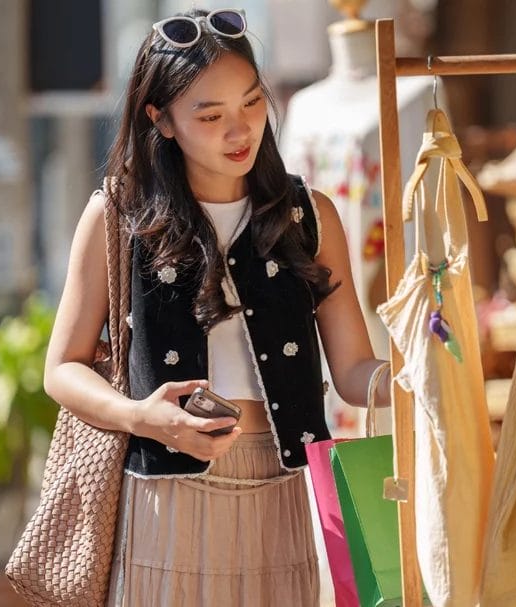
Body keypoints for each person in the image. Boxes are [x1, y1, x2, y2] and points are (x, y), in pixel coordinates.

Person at [42, 8, 391, 606]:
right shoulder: (117, 217)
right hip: (164, 500)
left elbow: (355, 370)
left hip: (280, 489)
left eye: (252, 104)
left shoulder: (308, 217)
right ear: (162, 120)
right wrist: (143, 417)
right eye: (211, 115)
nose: (241, 130)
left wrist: (408, 382)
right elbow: (62, 369)